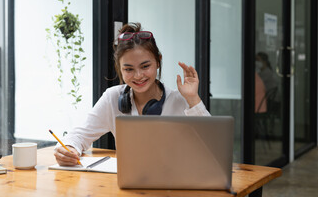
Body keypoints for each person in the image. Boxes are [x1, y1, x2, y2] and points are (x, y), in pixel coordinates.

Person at [54, 22, 211, 166]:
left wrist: (193, 99)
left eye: (145, 66)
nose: (138, 75)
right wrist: (68, 148)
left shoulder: (179, 100)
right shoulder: (113, 97)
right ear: (119, 68)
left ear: (158, 61)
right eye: (128, 69)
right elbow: (80, 134)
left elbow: (212, 147)